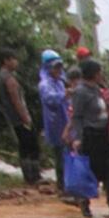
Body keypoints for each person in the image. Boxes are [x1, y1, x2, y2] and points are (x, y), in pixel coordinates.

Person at [68, 58, 109, 218]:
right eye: (100, 72)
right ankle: (84, 203)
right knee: (91, 172)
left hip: (104, 135)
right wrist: (78, 138)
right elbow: (77, 117)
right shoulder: (81, 92)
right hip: (90, 136)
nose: (102, 74)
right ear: (94, 74)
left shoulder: (97, 89)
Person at [0, 51, 41, 185]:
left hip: (13, 118)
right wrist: (25, 117)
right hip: (19, 118)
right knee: (31, 145)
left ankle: (29, 177)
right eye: (14, 59)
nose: (16, 62)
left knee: (24, 146)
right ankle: (33, 176)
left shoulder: (0, 76)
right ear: (6, 61)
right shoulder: (8, 78)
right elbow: (16, 100)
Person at [38, 51, 68, 193]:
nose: (59, 70)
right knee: (60, 155)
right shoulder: (45, 84)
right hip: (55, 122)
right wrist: (64, 96)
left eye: (60, 67)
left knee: (67, 154)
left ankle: (68, 183)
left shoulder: (60, 82)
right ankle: (62, 186)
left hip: (65, 121)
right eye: (56, 67)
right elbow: (50, 99)